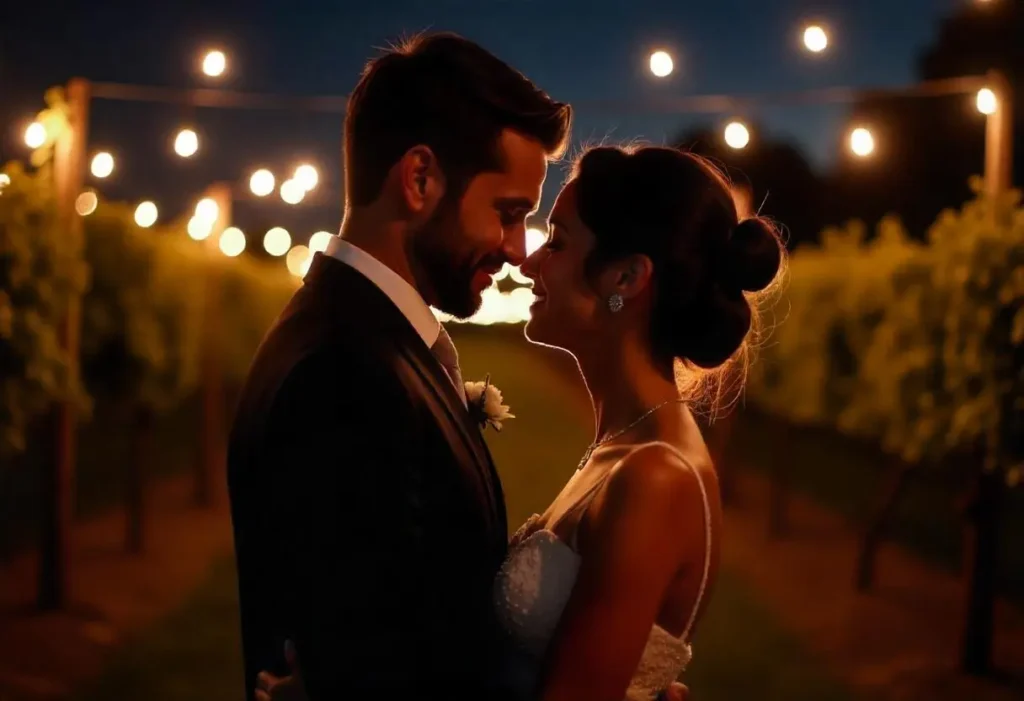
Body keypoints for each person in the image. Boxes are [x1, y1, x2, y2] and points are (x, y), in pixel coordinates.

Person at [253, 142, 785, 700]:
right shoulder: (623, 447)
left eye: (556, 241)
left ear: (625, 278)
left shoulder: (657, 476)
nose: (527, 262)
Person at [227, 31, 570, 701]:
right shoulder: (343, 373)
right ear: (419, 179)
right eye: (508, 213)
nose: (517, 249)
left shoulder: (359, 339)